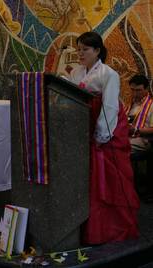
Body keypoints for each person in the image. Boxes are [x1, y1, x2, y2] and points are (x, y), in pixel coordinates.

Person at [68, 32, 140, 245]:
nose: (80, 53)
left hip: (106, 127)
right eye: (78, 49)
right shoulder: (77, 72)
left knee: (106, 176)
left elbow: (109, 106)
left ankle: (109, 228)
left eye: (85, 50)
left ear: (97, 50)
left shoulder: (109, 74)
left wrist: (101, 136)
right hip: (83, 126)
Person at [126, 75, 153, 158]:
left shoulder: (151, 106)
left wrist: (136, 130)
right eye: (132, 90)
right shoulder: (129, 104)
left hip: (143, 139)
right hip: (127, 136)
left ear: (146, 89)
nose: (134, 94)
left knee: (120, 148)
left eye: (138, 90)